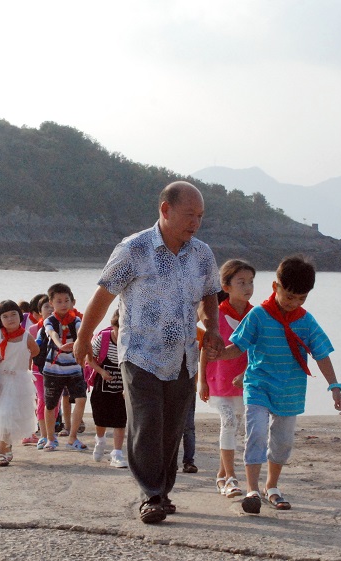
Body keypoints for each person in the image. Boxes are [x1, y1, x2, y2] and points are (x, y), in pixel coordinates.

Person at [74, 181, 224, 524]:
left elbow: (211, 294)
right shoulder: (133, 249)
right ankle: (150, 495)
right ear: (165, 210)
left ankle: (163, 491)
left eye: (200, 216)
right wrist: (84, 339)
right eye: (189, 215)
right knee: (146, 424)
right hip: (139, 355)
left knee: (171, 429)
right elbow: (104, 296)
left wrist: (212, 328)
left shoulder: (202, 253)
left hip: (184, 357)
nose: (195, 223)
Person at [212, 255, 341, 514]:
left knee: (282, 442)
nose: (294, 303)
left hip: (290, 389)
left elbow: (321, 354)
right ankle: (251, 490)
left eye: (301, 298)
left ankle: (270, 486)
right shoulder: (259, 315)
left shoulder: (305, 320)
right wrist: (219, 353)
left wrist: (334, 386)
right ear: (276, 287)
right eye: (290, 297)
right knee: (257, 433)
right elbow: (238, 347)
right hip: (258, 384)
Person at [198, 259, 255, 498]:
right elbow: (204, 347)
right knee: (229, 422)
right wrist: (201, 380)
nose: (247, 287)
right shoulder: (217, 314)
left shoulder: (256, 315)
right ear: (226, 285)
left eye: (251, 282)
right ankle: (231, 478)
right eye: (241, 282)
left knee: (236, 426)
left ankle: (221, 476)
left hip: (246, 380)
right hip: (219, 379)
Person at [0, 300, 39, 466]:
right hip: (0, 380)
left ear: (20, 315)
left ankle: (7, 446)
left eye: (14, 314)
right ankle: (2, 449)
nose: (10, 318)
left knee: (13, 415)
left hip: (19, 380)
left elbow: (35, 351)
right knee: (3, 414)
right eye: (5, 316)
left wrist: (24, 363)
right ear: (0, 319)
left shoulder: (26, 337)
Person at [41, 284, 89, 452]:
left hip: (74, 368)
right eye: (59, 301)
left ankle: (72, 437)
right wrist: (60, 345)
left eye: (66, 300)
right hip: (53, 368)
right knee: (50, 405)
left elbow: (81, 332)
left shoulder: (76, 320)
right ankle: (50, 438)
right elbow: (51, 334)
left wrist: (79, 344)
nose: (63, 304)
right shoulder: (50, 320)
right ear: (51, 303)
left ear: (71, 302)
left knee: (81, 399)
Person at [87, 309, 128, 468]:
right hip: (102, 386)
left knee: (120, 420)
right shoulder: (102, 339)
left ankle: (117, 453)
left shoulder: (131, 341)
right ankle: (100, 440)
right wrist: (101, 371)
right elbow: (88, 358)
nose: (120, 335)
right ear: (113, 327)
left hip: (122, 388)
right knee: (100, 418)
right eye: (118, 330)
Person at [23, 297, 51, 447]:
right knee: (42, 400)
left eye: (52, 306)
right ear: (39, 312)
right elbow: (28, 352)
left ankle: (49, 435)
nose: (51, 309)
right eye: (47, 307)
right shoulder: (33, 330)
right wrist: (27, 371)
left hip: (55, 370)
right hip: (37, 371)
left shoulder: (64, 327)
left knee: (53, 403)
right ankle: (44, 435)